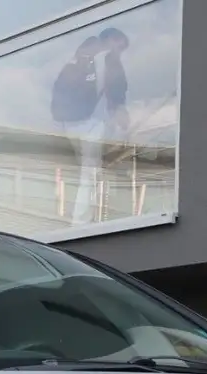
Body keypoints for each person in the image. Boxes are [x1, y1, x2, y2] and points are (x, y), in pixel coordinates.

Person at [50, 26, 130, 226]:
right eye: (119, 47)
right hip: (84, 123)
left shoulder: (83, 57)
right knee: (90, 171)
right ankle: (82, 221)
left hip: (73, 122)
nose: (119, 52)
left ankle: (82, 218)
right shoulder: (100, 60)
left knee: (88, 171)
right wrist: (119, 109)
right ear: (110, 40)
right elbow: (117, 89)